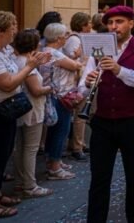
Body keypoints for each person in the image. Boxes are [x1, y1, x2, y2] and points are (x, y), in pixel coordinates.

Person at [79, 6, 134, 223]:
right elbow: (81, 88)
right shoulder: (99, 47)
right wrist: (86, 83)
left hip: (132, 121)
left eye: (119, 21)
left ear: (131, 24)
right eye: (111, 22)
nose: (114, 26)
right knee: (99, 178)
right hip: (102, 121)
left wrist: (118, 70)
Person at [0, 11, 50, 219]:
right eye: (12, 29)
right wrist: (30, 67)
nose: (15, 32)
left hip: (4, 112)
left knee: (3, 155)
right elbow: (7, 84)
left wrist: (36, 62)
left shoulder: (1, 50)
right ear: (0, 31)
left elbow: (14, 71)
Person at [11, 29, 54, 198]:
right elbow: (36, 90)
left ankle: (20, 182)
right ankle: (30, 185)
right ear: (34, 45)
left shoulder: (17, 59)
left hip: (21, 109)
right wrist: (50, 88)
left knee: (20, 147)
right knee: (30, 149)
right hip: (32, 110)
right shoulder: (26, 63)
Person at [40, 23, 83, 180]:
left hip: (53, 95)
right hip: (61, 96)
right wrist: (78, 57)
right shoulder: (55, 54)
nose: (67, 37)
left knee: (54, 131)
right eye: (65, 35)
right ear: (58, 38)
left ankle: (52, 161)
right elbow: (75, 66)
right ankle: (55, 167)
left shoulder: (46, 51)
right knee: (61, 131)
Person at [63, 12, 92, 162]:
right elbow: (73, 60)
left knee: (78, 115)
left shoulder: (78, 38)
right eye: (88, 23)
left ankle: (76, 143)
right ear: (82, 25)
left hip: (80, 79)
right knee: (79, 115)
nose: (91, 26)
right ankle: (77, 147)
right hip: (77, 81)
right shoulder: (74, 40)